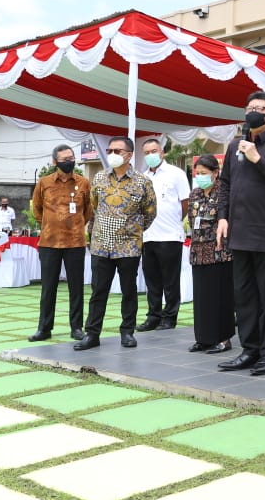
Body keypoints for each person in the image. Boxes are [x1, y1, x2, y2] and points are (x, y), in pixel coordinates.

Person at [216, 92, 265, 376]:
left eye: (261, 109)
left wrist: (257, 159)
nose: (254, 112)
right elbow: (224, 184)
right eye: (250, 107)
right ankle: (249, 349)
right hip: (239, 231)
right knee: (244, 294)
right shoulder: (234, 146)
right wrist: (222, 217)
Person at [76, 136, 157, 351]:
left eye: (118, 151)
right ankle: (92, 333)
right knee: (98, 291)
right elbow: (94, 207)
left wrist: (132, 231)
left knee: (128, 291)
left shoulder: (142, 181)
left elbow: (150, 213)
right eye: (110, 150)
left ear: (129, 155)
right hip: (101, 245)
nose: (112, 154)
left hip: (128, 246)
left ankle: (127, 332)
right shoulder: (100, 177)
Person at [29, 144, 94, 343]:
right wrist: (51, 224)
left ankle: (76, 328)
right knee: (48, 288)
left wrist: (74, 225)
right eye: (65, 158)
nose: (69, 161)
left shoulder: (84, 183)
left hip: (75, 242)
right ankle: (44, 328)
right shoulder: (44, 182)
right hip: (49, 242)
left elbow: (88, 211)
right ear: (55, 162)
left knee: (76, 288)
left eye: (71, 157)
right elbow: (37, 210)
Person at [139, 138, 191, 332]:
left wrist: (175, 219)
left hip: (170, 236)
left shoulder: (176, 173)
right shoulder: (142, 177)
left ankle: (170, 317)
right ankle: (153, 316)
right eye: (147, 152)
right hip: (148, 236)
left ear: (162, 152)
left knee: (170, 280)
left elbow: (185, 203)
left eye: (154, 151)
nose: (151, 155)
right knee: (152, 281)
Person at [187, 155, 233, 354]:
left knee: (220, 296)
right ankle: (203, 338)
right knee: (202, 297)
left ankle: (223, 338)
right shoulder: (195, 193)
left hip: (219, 251)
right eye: (198, 173)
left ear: (216, 173)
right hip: (198, 251)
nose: (200, 177)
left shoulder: (223, 192)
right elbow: (191, 219)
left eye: (204, 173)